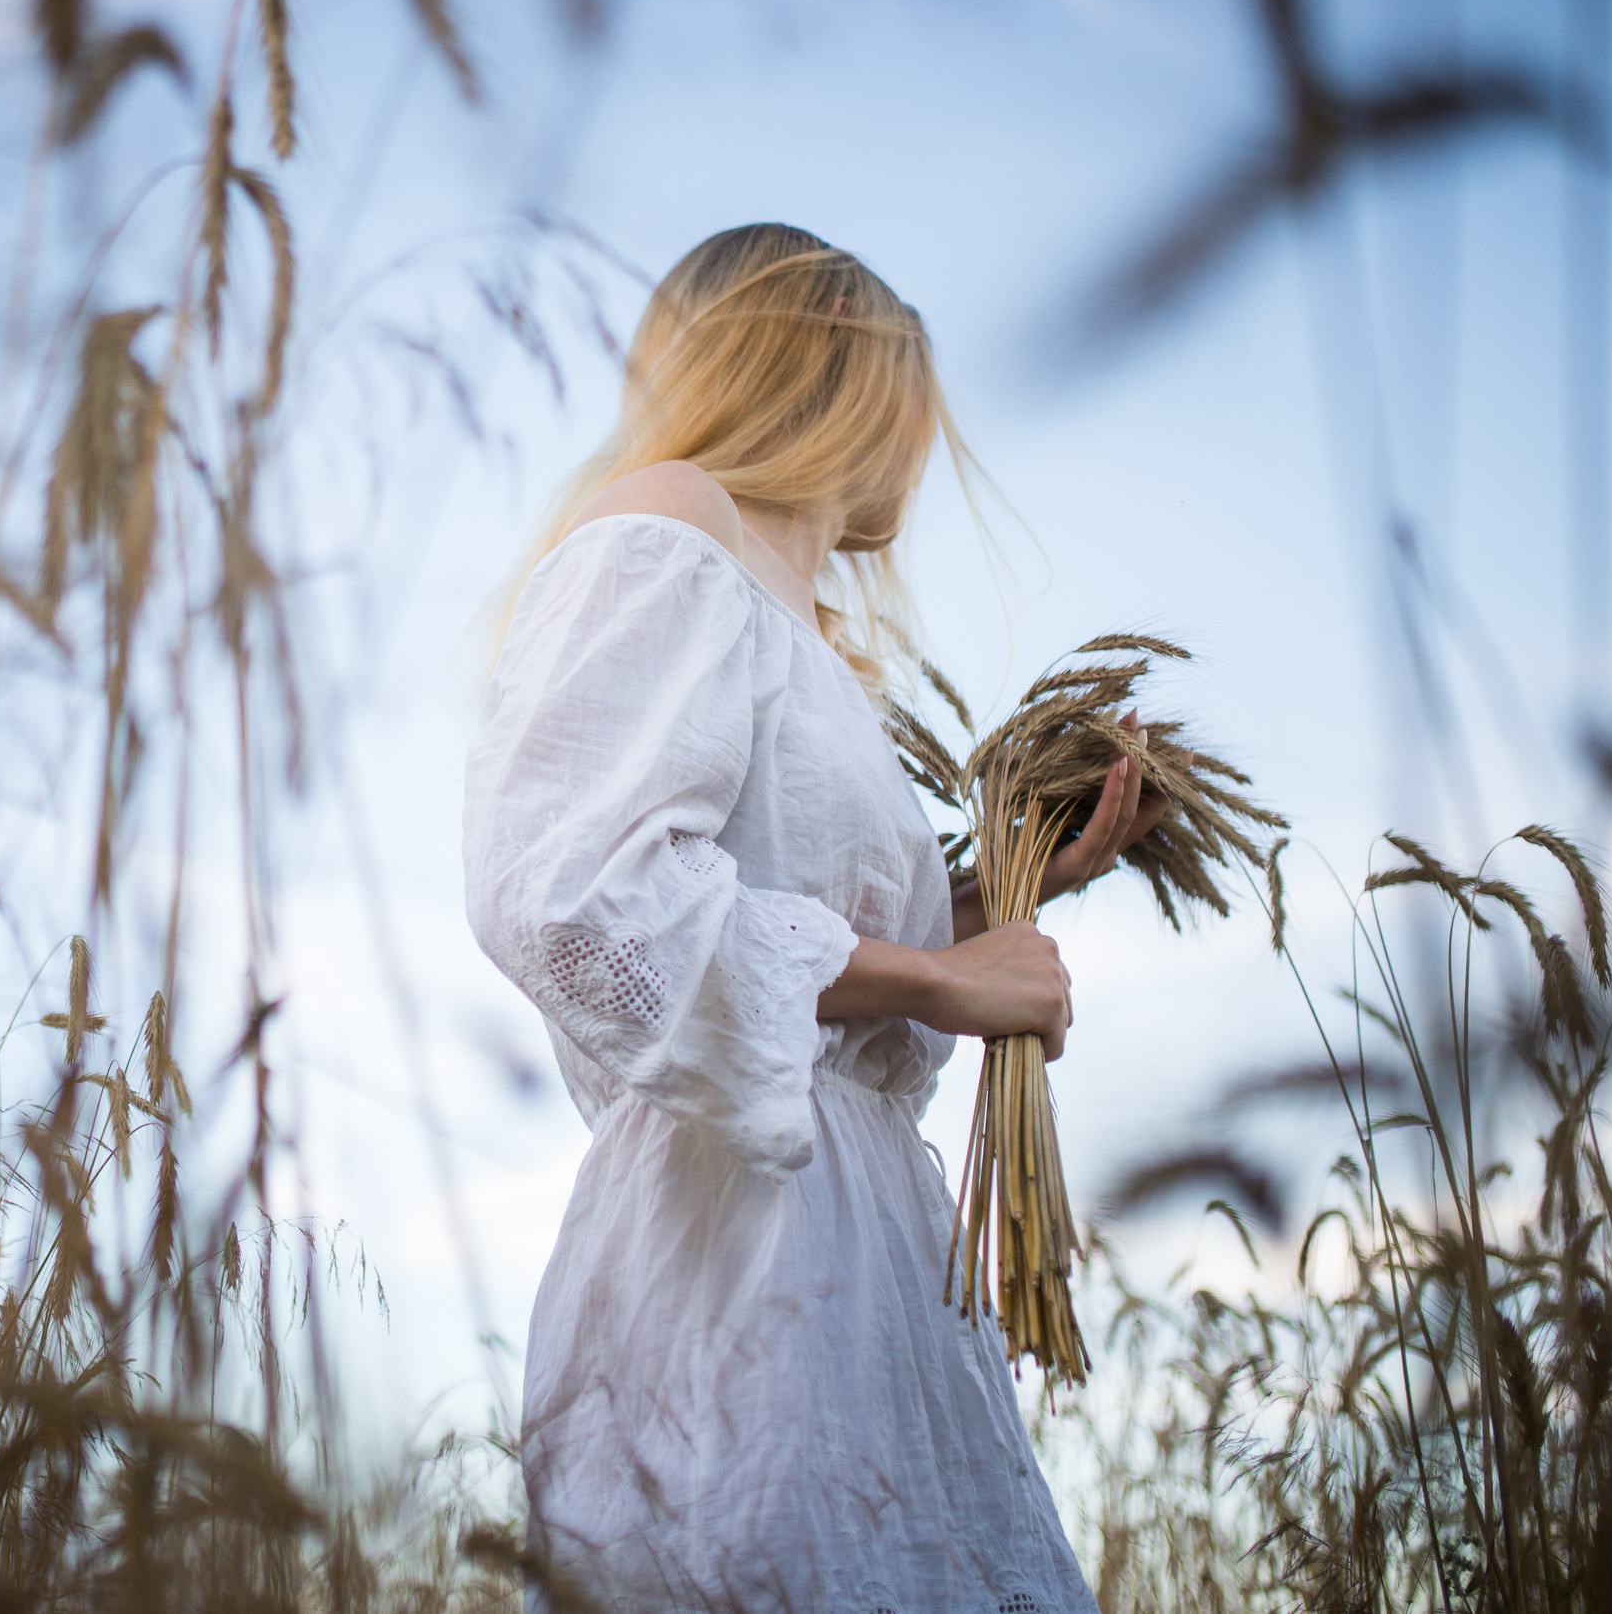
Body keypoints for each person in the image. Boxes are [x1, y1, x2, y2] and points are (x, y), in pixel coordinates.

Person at [463, 224, 1164, 1612]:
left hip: (863, 1248)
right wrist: (943, 981)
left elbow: (778, 917)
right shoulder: (671, 525)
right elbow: (578, 895)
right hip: (740, 1242)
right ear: (831, 373)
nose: (919, 443)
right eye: (906, 394)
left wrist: (1008, 895)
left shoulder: (792, 617)